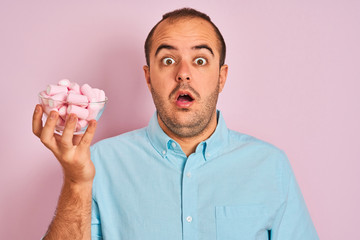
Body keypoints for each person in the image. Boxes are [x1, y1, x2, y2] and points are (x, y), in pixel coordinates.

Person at [33, 8, 319, 240]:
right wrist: (76, 181)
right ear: (148, 76)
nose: (183, 74)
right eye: (168, 60)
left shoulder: (270, 166)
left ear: (222, 77)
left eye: (200, 60)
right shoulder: (98, 164)